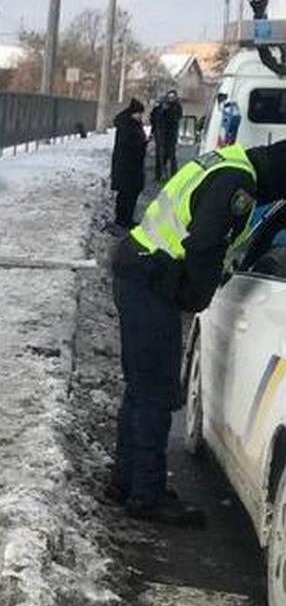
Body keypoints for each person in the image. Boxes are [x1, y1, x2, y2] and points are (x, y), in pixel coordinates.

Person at [108, 101, 286, 527]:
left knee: (142, 385)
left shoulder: (228, 161)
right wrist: (196, 298)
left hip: (139, 268)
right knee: (156, 389)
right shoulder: (239, 184)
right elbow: (205, 246)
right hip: (153, 279)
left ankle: (127, 480)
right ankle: (146, 496)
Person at [110, 98, 148, 228]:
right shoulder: (127, 125)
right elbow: (127, 144)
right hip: (127, 165)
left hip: (130, 165)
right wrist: (143, 144)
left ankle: (126, 218)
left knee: (129, 193)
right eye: (140, 113)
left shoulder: (132, 123)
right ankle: (123, 220)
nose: (141, 116)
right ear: (134, 112)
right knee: (126, 193)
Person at [156, 90, 184, 179]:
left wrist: (168, 110)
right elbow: (155, 118)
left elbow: (176, 117)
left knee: (171, 156)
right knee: (161, 156)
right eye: (169, 97)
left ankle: (173, 174)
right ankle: (160, 175)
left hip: (171, 135)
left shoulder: (177, 107)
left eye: (173, 97)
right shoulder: (162, 106)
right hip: (161, 134)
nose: (171, 99)